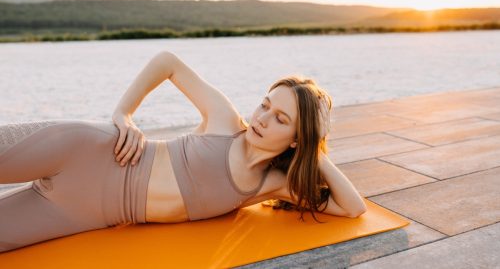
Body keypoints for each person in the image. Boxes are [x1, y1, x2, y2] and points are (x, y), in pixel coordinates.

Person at [0, 51, 366, 253]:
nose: (263, 118)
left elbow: (353, 208)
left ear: (296, 139)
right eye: (265, 104)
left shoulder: (271, 185)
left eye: (281, 118)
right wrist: (124, 113)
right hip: (85, 150)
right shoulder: (225, 121)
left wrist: (315, 152)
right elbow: (167, 62)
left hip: (79, 213)